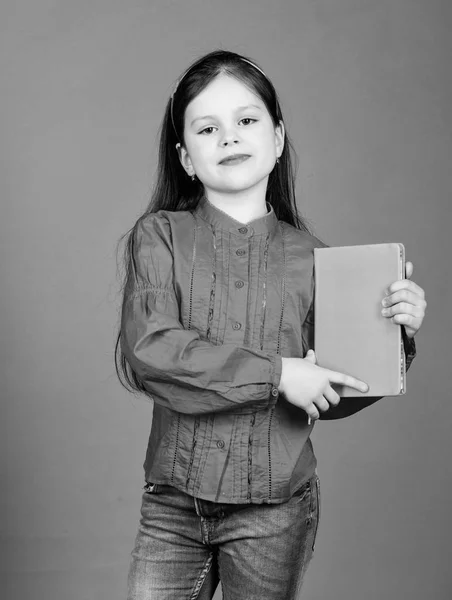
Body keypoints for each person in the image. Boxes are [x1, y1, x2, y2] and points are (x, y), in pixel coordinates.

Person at [115, 50, 426, 600]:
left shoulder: (315, 259)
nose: (229, 137)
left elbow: (332, 389)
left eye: (247, 120)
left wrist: (394, 335)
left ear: (278, 140)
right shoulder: (159, 235)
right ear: (186, 158)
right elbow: (152, 349)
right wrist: (279, 373)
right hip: (172, 502)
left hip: (275, 510)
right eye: (208, 128)